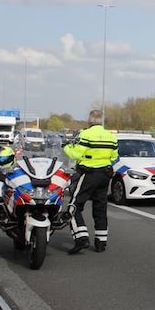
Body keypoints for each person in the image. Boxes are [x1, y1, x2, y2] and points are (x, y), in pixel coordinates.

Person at [63, 109, 119, 254]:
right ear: (101, 121)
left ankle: (81, 238)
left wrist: (66, 146)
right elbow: (114, 157)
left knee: (73, 206)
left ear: (90, 120)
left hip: (88, 173)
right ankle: (101, 242)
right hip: (105, 175)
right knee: (100, 208)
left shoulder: (85, 134)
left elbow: (76, 154)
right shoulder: (111, 137)